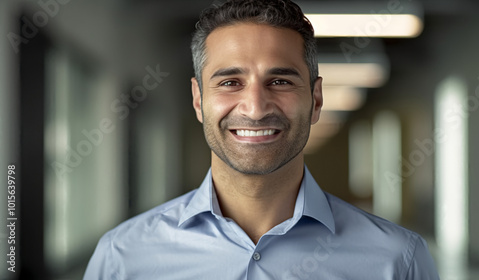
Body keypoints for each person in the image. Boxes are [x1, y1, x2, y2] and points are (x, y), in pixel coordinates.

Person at [83, 0, 440, 279]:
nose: (255, 108)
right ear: (198, 100)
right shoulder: (123, 257)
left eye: (281, 81)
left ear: (315, 100)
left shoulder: (398, 260)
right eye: (230, 82)